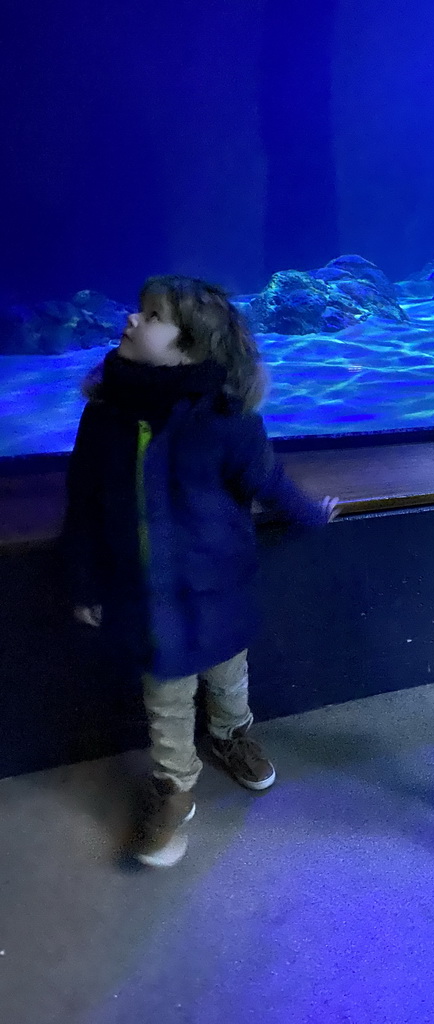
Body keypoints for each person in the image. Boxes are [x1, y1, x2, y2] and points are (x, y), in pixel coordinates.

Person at [62, 275, 339, 868]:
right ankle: (174, 787)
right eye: (138, 310)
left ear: (191, 345)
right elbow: (83, 501)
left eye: (153, 315)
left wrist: (312, 516)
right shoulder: (107, 413)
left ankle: (232, 735)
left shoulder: (228, 419)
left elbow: (265, 483)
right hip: (147, 596)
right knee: (165, 698)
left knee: (228, 675)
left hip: (219, 589)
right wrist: (84, 581)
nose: (133, 320)